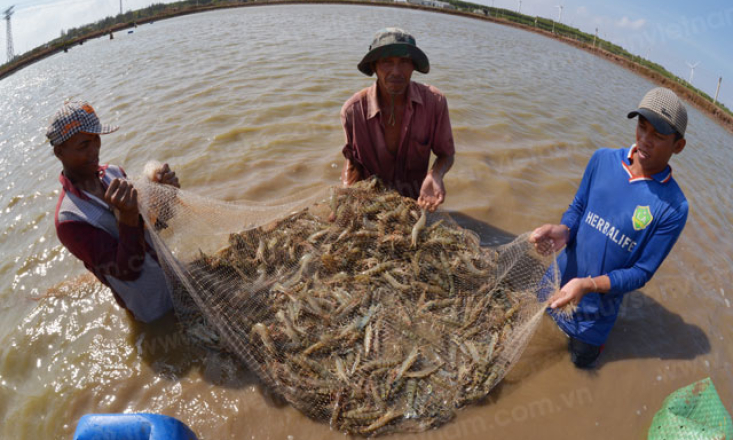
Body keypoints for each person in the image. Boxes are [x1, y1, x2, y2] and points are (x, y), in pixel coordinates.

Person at [530, 87, 689, 368]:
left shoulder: (674, 208)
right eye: (642, 127)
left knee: (580, 364)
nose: (644, 140)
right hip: (553, 284)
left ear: (678, 146)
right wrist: (564, 230)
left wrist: (589, 285)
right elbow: (579, 207)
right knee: (534, 339)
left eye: (658, 136)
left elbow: (641, 273)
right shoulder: (602, 160)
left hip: (594, 319)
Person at [47, 101, 180, 323]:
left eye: (97, 139)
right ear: (59, 151)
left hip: (175, 279)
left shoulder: (114, 173)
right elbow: (127, 271)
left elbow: (154, 228)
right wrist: (126, 218)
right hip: (152, 310)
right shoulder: (70, 220)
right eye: (83, 145)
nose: (94, 151)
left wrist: (168, 195)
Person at [340, 27, 455, 211]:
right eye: (386, 62)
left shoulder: (435, 102)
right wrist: (345, 198)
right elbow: (353, 162)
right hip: (371, 203)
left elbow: (446, 154)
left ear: (414, 66)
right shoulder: (353, 111)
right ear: (374, 66)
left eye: (404, 62)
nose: (396, 71)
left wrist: (436, 175)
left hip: (417, 200)